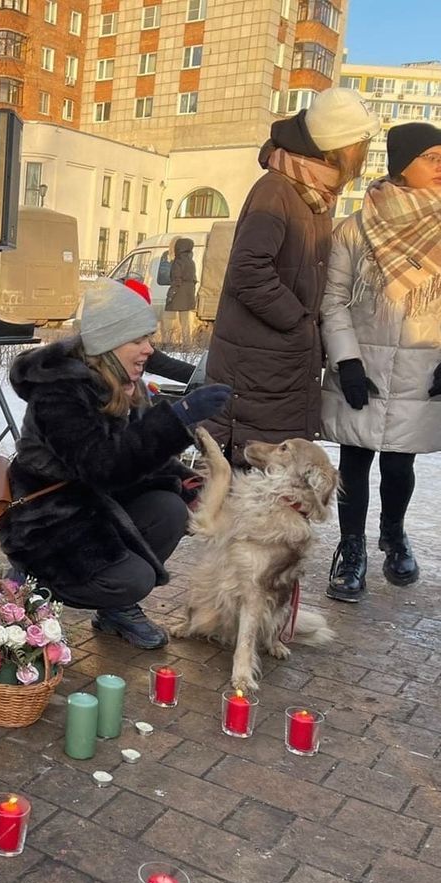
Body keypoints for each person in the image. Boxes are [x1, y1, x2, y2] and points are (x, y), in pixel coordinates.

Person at [0, 279, 231, 648]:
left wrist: (187, 481)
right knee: (134, 579)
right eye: (139, 340)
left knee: (172, 509)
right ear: (109, 341)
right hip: (48, 522)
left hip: (93, 504)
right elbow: (104, 464)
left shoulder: (122, 382)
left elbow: (136, 451)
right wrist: (178, 418)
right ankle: (34, 582)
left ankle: (115, 611)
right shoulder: (59, 392)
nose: (149, 350)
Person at [205, 88, 380, 466]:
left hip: (277, 361)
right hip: (258, 363)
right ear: (338, 145)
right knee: (252, 474)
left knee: (274, 480)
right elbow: (248, 270)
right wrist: (299, 323)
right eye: (360, 144)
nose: (363, 156)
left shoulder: (312, 193)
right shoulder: (278, 190)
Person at [321, 122, 441, 602]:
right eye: (433, 157)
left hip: (421, 366)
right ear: (403, 163)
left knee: (398, 465)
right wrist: (346, 361)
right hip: (364, 367)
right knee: (354, 461)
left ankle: (393, 533)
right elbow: (333, 299)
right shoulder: (356, 227)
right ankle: (351, 551)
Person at [164, 238, 198, 347]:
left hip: (177, 294)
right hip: (188, 295)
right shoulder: (191, 262)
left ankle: (167, 344)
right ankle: (187, 345)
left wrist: (170, 295)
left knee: (168, 320)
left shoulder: (177, 262)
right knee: (185, 323)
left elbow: (176, 279)